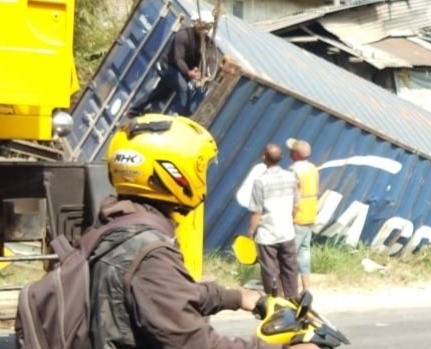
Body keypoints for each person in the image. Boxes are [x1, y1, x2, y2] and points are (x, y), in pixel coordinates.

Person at [99, 114, 319, 348]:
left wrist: (236, 297)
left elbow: (174, 293)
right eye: (200, 168)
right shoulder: (150, 254)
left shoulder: (119, 227)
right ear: (174, 172)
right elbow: (198, 344)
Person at [130, 16, 214, 117]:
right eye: (203, 27)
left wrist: (206, 71)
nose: (205, 31)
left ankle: (135, 109)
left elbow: (207, 58)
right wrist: (188, 72)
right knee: (183, 89)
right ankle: (179, 118)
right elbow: (178, 59)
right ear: (197, 24)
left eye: (207, 29)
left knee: (160, 93)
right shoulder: (183, 36)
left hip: (180, 72)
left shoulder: (205, 42)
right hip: (168, 66)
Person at [247, 143, 300, 298]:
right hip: (287, 231)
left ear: (264, 158)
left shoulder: (260, 181)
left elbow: (256, 212)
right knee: (290, 268)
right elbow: (296, 204)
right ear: (281, 158)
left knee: (270, 271)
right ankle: (292, 300)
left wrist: (250, 232)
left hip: (267, 234)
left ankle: (275, 301)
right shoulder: (291, 177)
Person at [287, 138, 318, 294]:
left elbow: (293, 194)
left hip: (297, 216)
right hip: (310, 214)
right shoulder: (313, 169)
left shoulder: (294, 170)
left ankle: (289, 288)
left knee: (290, 253)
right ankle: (306, 288)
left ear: (295, 154)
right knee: (304, 253)